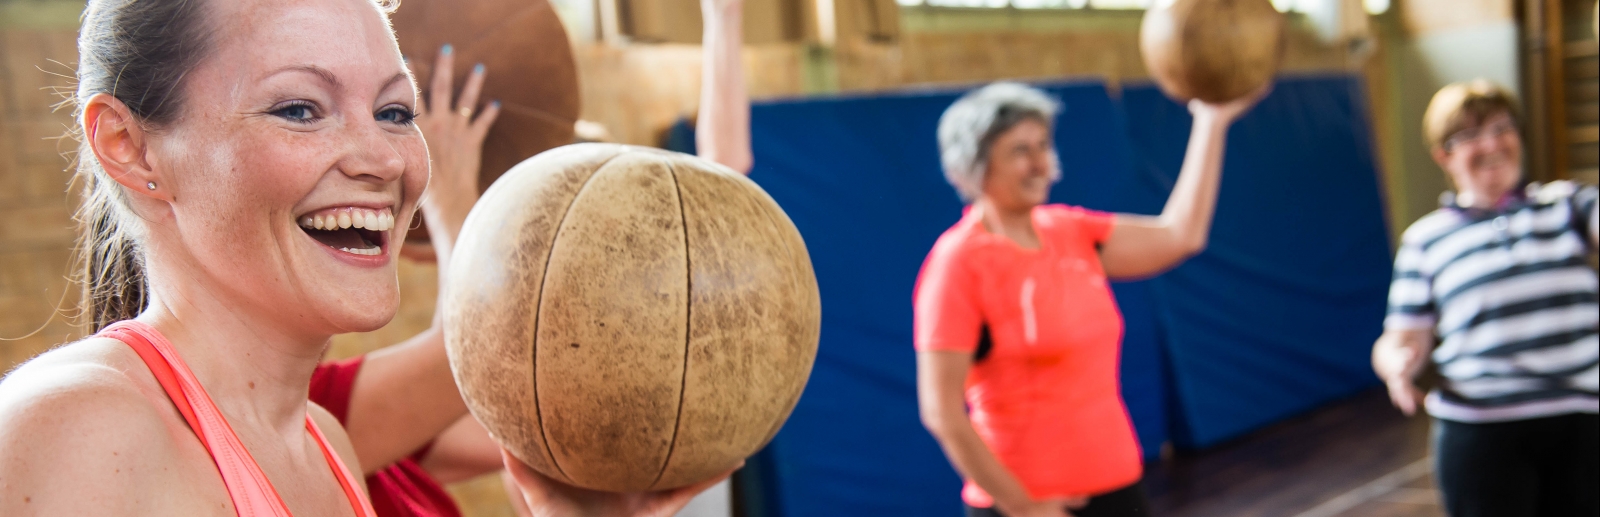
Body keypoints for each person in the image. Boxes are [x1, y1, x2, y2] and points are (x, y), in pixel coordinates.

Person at [0, 0, 726, 515]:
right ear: (130, 147)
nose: (385, 158)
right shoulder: (78, 431)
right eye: (299, 109)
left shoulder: (327, 445)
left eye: (394, 112)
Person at [915, 82, 1264, 517]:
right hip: (1030, 504)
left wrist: (1211, 122)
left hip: (1117, 488)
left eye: (1043, 144)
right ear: (975, 167)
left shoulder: (1071, 233)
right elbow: (941, 411)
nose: (1040, 163)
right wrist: (1022, 506)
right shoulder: (957, 264)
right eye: (1020, 151)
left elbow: (1181, 235)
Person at [1371, 79, 1598, 517]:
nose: (1491, 143)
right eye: (1471, 135)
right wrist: (1397, 365)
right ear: (1445, 156)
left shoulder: (1567, 206)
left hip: (1581, 419)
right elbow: (1402, 337)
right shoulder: (1426, 239)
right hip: (1481, 429)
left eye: (1502, 128)